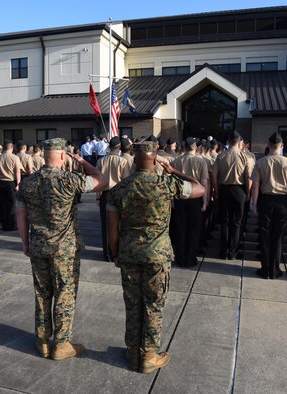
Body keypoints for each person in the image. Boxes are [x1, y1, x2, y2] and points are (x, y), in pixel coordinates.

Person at [106, 141, 205, 373]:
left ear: (133, 160)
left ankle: (132, 352)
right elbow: (199, 188)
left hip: (129, 254)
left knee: (132, 304)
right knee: (154, 305)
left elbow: (112, 229)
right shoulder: (167, 184)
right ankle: (149, 355)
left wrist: (115, 253)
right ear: (154, 161)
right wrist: (174, 171)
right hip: (157, 256)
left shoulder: (119, 190)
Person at [16, 138, 106, 360]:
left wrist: (25, 243)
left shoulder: (28, 182)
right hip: (64, 248)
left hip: (38, 245)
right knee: (64, 293)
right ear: (63, 156)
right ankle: (62, 343)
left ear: (44, 156)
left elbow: (21, 215)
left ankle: (43, 341)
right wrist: (83, 162)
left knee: (42, 293)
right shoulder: (69, 180)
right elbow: (101, 181)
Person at [251, 132, 287, 279]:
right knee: (278, 238)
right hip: (283, 201)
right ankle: (275, 269)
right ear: (282, 146)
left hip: (266, 199)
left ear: (268, 145)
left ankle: (265, 269)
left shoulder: (260, 162)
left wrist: (254, 204)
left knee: (265, 236)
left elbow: (256, 186)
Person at [211, 131, 251, 260]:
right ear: (239, 141)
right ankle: (233, 251)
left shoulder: (221, 156)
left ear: (228, 141)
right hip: (239, 190)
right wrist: (248, 193)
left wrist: (216, 191)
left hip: (224, 189)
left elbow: (213, 174)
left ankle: (223, 251)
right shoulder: (245, 157)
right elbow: (248, 177)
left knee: (224, 221)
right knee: (237, 222)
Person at [170, 137, 209, 266]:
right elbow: (204, 183)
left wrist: (172, 200)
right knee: (194, 229)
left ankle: (180, 257)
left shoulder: (176, 161)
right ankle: (191, 258)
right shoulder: (201, 161)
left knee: (180, 228)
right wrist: (205, 201)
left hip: (180, 197)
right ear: (195, 147)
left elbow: (172, 182)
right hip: (195, 198)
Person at [96, 136, 131, 261]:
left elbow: (97, 181)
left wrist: (98, 197)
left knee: (105, 225)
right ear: (119, 147)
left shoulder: (101, 161)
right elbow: (126, 181)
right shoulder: (122, 162)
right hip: (118, 194)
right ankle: (116, 252)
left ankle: (107, 254)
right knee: (118, 225)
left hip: (105, 194)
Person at [0, 139, 22, 232]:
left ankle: (5, 225)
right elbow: (17, 171)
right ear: (11, 147)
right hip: (11, 182)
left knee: (3, 204)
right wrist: (18, 184)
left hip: (1, 182)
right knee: (12, 204)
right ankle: (12, 225)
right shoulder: (15, 158)